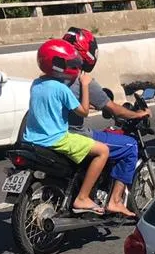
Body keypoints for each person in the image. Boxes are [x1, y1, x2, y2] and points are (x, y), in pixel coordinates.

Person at [61, 27, 149, 219]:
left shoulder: (54, 77)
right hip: (76, 135)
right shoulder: (83, 80)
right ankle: (115, 201)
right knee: (130, 145)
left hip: (55, 133)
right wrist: (138, 114)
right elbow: (113, 108)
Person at [22, 38, 110, 216]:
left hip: (32, 139)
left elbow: (52, 105)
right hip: (57, 139)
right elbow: (84, 111)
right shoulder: (61, 88)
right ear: (59, 65)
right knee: (103, 151)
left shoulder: (36, 84)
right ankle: (83, 197)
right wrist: (85, 85)